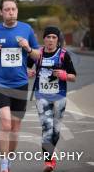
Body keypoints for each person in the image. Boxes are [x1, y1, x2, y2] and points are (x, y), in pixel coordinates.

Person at [0, 0, 40, 172]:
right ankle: (4, 165)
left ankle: (9, 159)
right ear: (1, 12)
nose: (10, 12)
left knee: (15, 127)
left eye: (13, 9)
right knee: (6, 124)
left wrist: (28, 48)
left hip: (20, 83)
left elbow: (37, 55)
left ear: (17, 11)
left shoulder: (26, 29)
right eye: (7, 9)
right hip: (0, 82)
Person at [27, 26, 76, 172]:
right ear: (44, 39)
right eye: (48, 37)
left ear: (57, 40)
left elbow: (73, 76)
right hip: (41, 96)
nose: (51, 40)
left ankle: (51, 154)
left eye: (54, 37)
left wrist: (63, 75)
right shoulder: (37, 54)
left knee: (56, 130)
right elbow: (27, 68)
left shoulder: (63, 55)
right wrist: (29, 71)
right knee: (47, 129)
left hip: (59, 96)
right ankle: (49, 161)